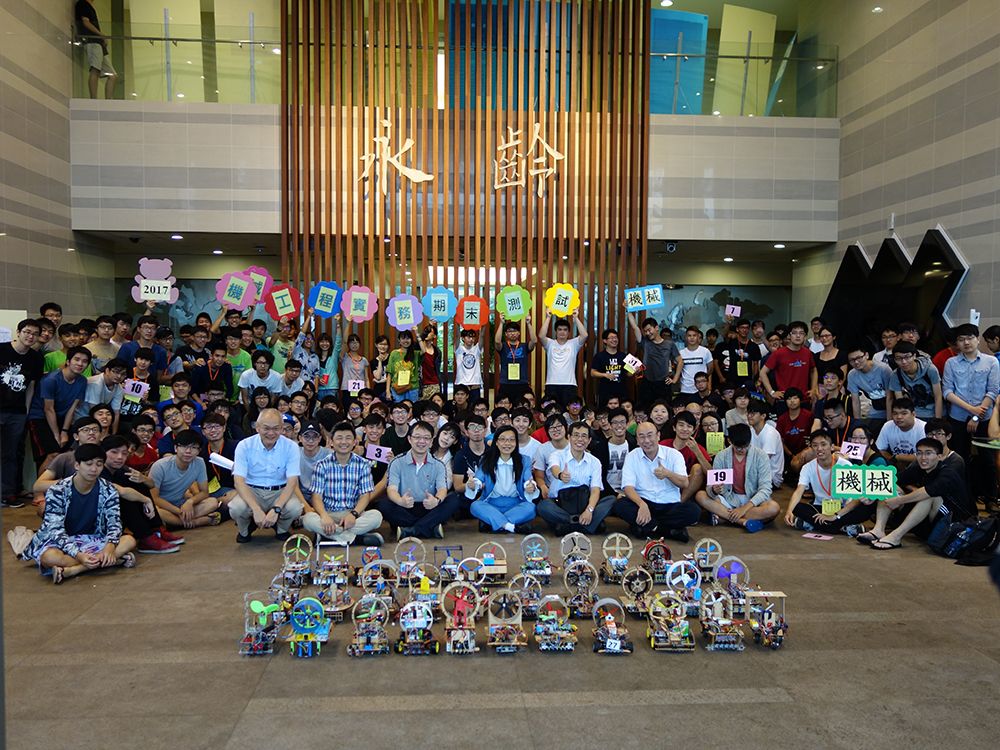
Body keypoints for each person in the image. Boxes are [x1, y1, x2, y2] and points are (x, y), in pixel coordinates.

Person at [20, 444, 136, 584]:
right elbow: (55, 530)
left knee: (129, 540)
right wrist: (78, 555)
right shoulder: (57, 490)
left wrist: (110, 547)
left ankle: (74, 570)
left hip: (92, 538)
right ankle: (115, 560)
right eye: (88, 464)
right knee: (49, 558)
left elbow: (114, 523)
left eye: (99, 464)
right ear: (77, 465)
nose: (94, 469)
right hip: (61, 540)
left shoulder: (109, 489)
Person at [860, 437, 972, 550]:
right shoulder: (918, 468)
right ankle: (878, 530)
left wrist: (898, 500)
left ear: (939, 457)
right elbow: (892, 479)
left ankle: (896, 536)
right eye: (919, 453)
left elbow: (928, 492)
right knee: (891, 487)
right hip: (925, 524)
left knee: (929, 497)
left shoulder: (948, 472)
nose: (923, 458)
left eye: (928, 453)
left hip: (951, 525)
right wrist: (872, 495)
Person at [613, 421, 700, 541]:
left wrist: (668, 474)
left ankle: (648, 527)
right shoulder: (632, 456)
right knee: (620, 505)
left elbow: (684, 483)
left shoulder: (674, 455)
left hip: (669, 504)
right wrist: (642, 504)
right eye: (642, 437)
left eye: (650, 435)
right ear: (637, 440)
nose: (646, 440)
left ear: (658, 436)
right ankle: (669, 530)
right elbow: (628, 487)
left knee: (694, 511)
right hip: (644, 501)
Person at [304, 421, 384, 545]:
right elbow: (316, 497)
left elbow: (365, 496)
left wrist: (353, 514)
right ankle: (355, 539)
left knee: (376, 516)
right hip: (329, 513)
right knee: (308, 519)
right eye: (339, 438)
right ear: (331, 442)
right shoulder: (321, 465)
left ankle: (329, 536)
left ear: (354, 442)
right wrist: (324, 516)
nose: (343, 442)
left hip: (353, 514)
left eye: (348, 438)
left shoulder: (363, 464)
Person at [230, 408, 304, 542]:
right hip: (252, 490)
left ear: (282, 428)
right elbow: (239, 481)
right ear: (257, 428)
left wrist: (276, 509)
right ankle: (245, 530)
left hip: (279, 490)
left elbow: (292, 482)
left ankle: (281, 529)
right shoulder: (244, 445)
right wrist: (256, 509)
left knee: (295, 508)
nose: (271, 433)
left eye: (276, 428)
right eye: (266, 428)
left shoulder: (291, 447)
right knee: (236, 507)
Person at [100, 434, 182, 554]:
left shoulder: (121, 469)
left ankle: (156, 529)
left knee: (139, 484)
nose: (120, 457)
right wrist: (145, 500)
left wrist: (143, 478)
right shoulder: (98, 470)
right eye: (114, 452)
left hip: (115, 516)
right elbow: (121, 491)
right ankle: (145, 537)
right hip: (99, 518)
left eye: (124, 453)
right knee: (124, 498)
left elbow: (151, 485)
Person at [379, 420, 458, 539]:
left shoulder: (439, 465)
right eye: (417, 437)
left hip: (429, 507)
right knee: (383, 504)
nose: (421, 441)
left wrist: (436, 501)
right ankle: (429, 527)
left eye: (426, 438)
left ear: (431, 442)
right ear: (409, 439)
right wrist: (400, 501)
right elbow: (391, 489)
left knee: (454, 499)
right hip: (405, 507)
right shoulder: (396, 462)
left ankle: (411, 530)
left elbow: (442, 489)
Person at [694, 423, 780, 532]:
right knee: (700, 495)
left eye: (745, 446)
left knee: (773, 508)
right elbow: (710, 487)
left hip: (753, 500)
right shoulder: (721, 456)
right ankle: (742, 521)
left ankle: (724, 517)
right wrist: (714, 490)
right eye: (738, 447)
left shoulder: (760, 456)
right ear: (729, 441)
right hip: (728, 499)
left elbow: (766, 489)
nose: (742, 450)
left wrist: (744, 508)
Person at [537, 422, 614, 535]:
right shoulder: (557, 455)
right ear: (569, 437)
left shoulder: (595, 462)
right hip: (561, 505)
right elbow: (554, 468)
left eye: (584, 436)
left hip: (584, 504)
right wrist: (560, 475)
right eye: (576, 435)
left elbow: (595, 490)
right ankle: (585, 525)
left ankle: (567, 526)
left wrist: (589, 510)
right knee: (543, 506)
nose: (580, 439)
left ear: (589, 440)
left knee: (611, 500)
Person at [784, 430, 862, 535]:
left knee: (859, 509)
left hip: (842, 508)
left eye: (823, 444)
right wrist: (789, 511)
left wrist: (837, 515)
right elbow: (799, 491)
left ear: (832, 447)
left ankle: (816, 525)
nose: (819, 448)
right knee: (797, 507)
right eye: (815, 445)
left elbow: (853, 496)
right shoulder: (807, 467)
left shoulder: (845, 465)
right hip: (820, 507)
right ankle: (840, 527)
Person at [26, 346, 91, 473]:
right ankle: (41, 485)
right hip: (40, 417)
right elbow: (48, 409)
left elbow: (72, 408)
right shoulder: (51, 380)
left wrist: (64, 431)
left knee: (67, 453)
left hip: (61, 418)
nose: (80, 364)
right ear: (68, 361)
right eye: (77, 359)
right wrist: (57, 435)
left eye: (84, 361)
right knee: (53, 454)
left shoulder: (82, 381)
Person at [0, 319, 44, 507]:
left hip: (17, 413)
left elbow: (31, 386)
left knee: (10, 454)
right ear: (18, 332)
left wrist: (25, 412)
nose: (30, 336)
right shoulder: (2, 349)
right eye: (27, 332)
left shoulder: (36, 358)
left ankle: (7, 493)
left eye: (35, 334)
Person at [466, 425, 539, 533]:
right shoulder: (486, 460)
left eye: (511, 440)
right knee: (475, 506)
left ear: (516, 442)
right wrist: (473, 484)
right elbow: (478, 479)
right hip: (491, 504)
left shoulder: (524, 460)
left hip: (516, 504)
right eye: (503, 439)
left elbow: (529, 480)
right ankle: (510, 526)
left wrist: (530, 486)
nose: (507, 443)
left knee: (531, 508)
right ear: (496, 442)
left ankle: (494, 523)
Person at [942, 323, 999, 457]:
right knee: (959, 456)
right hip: (958, 417)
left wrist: (976, 416)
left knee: (988, 457)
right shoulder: (951, 363)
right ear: (957, 343)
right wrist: (972, 409)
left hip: (984, 418)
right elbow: (947, 391)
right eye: (961, 339)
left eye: (970, 338)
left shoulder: (991, 361)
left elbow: (993, 391)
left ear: (978, 339)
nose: (966, 342)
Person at [148, 430, 220, 529]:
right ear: (175, 448)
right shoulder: (160, 466)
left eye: (193, 447)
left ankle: (177, 523)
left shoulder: (199, 463)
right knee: (156, 512)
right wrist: (179, 512)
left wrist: (190, 502)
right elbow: (155, 498)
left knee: (212, 502)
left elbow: (204, 492)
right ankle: (198, 522)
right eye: (184, 446)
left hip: (181, 503)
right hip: (162, 506)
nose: (188, 451)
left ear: (199, 451)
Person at [625, 312, 681, 409]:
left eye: (649, 330)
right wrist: (628, 310)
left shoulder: (669, 344)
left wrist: (675, 379)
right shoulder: (645, 342)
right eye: (645, 331)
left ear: (656, 328)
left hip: (663, 384)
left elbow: (680, 361)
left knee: (664, 410)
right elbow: (634, 327)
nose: (647, 333)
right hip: (647, 382)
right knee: (645, 410)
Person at [759, 321, 815, 411]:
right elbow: (762, 372)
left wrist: (814, 388)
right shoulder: (778, 353)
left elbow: (813, 370)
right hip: (784, 400)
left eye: (801, 333)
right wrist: (772, 392)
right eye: (794, 333)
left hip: (804, 399)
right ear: (789, 335)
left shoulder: (808, 353)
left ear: (805, 336)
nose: (798, 336)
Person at [538, 312, 588, 406]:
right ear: (556, 331)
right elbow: (541, 336)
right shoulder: (550, 343)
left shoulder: (573, 344)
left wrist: (576, 318)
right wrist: (548, 317)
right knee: (551, 411)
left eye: (565, 330)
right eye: (559, 329)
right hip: (551, 384)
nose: (562, 332)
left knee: (569, 411)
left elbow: (584, 335)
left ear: (568, 332)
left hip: (569, 385)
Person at [890, 341, 943, 420]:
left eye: (907, 357)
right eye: (898, 358)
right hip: (913, 415)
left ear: (914, 356)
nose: (904, 362)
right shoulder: (896, 375)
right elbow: (900, 402)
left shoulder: (930, 369)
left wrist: (938, 420)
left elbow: (938, 396)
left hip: (932, 413)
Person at [75, 0, 117, 99]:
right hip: (92, 41)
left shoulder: (89, 6)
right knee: (95, 69)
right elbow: (86, 22)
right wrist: (101, 35)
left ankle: (108, 102)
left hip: (97, 43)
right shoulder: (83, 4)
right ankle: (94, 99)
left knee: (112, 75)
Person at [846, 345, 894, 428]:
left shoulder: (883, 369)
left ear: (867, 355)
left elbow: (890, 397)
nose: (856, 362)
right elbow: (855, 401)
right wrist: (857, 425)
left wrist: (889, 422)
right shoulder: (852, 375)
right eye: (852, 360)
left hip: (892, 405)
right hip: (876, 406)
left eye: (859, 358)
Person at [875, 398, 926, 468]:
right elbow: (878, 449)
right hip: (895, 465)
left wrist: (898, 458)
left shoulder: (923, 428)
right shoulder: (888, 426)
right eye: (895, 413)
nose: (899, 417)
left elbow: (925, 456)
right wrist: (893, 460)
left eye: (904, 413)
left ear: (913, 414)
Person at [495, 317, 537, 404]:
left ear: (519, 333)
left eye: (514, 331)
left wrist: (528, 323)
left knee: (522, 407)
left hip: (522, 383)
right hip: (506, 383)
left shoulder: (524, 346)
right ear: (506, 334)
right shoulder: (503, 346)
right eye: (509, 331)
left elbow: (534, 341)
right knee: (505, 406)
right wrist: (501, 323)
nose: (512, 333)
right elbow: (497, 341)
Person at [713, 318, 760, 390]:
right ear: (737, 329)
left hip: (747, 379)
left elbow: (755, 364)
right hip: (732, 379)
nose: (744, 330)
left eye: (747, 328)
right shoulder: (732, 342)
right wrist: (728, 323)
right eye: (742, 328)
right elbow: (725, 335)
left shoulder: (754, 346)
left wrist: (753, 380)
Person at [747, 400, 784, 488]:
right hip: (757, 473)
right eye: (748, 413)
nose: (749, 416)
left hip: (772, 478)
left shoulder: (770, 433)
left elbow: (764, 459)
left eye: (753, 413)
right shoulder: (751, 431)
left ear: (763, 416)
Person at [776, 387, 811, 474]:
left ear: (800, 400)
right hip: (788, 455)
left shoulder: (808, 416)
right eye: (789, 399)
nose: (792, 401)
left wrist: (804, 453)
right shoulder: (782, 419)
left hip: (806, 453)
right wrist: (791, 455)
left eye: (795, 398)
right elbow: (780, 441)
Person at [590, 328, 628, 408]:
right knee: (604, 412)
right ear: (605, 341)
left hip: (621, 390)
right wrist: (605, 375)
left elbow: (628, 374)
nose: (614, 340)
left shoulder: (623, 356)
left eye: (616, 337)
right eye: (611, 338)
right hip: (605, 391)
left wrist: (635, 370)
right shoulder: (599, 356)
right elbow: (593, 373)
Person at [677, 327, 714, 395]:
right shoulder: (681, 353)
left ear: (698, 337)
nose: (692, 338)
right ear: (686, 337)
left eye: (694, 335)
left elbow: (711, 369)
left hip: (701, 390)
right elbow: (678, 371)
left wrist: (704, 381)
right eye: (689, 335)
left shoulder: (705, 351)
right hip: (685, 389)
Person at [386, 330, 420, 402]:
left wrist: (417, 333)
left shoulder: (415, 354)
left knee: (412, 407)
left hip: (412, 388)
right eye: (403, 338)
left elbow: (424, 350)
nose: (406, 341)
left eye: (408, 338)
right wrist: (387, 391)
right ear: (399, 340)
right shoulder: (394, 353)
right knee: (398, 408)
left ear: (411, 340)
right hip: (398, 388)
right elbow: (389, 373)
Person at [453, 328, 484, 401]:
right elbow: (457, 335)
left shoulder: (477, 349)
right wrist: (457, 324)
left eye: (473, 337)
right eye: (468, 337)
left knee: (475, 406)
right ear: (463, 338)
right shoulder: (459, 349)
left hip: (475, 384)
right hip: (461, 384)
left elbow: (482, 335)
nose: (471, 339)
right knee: (461, 406)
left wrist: (484, 323)